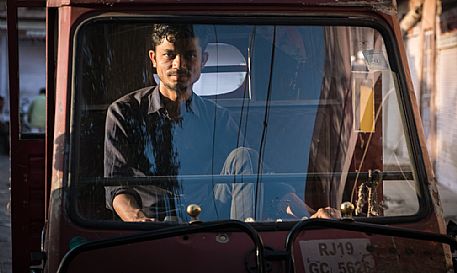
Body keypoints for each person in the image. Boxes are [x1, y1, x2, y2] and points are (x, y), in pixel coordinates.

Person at [104, 23, 339, 222]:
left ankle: (243, 243)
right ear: (154, 59)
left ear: (203, 60)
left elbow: (254, 172)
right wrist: (138, 220)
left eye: (190, 55)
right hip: (153, 220)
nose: (179, 64)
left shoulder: (216, 116)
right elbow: (117, 186)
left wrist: (309, 214)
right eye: (169, 55)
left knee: (244, 155)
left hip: (210, 214)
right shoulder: (124, 112)